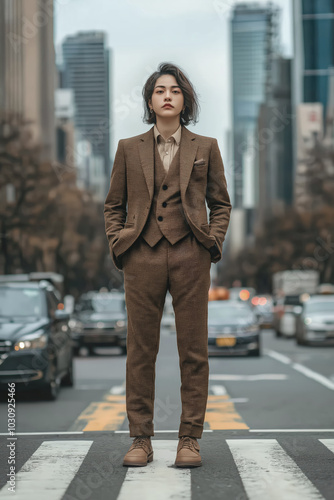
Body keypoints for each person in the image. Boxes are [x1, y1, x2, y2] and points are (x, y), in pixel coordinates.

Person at [104, 62, 232, 468]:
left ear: (184, 100)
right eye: (160, 90)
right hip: (141, 255)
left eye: (174, 90)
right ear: (149, 100)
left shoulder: (206, 146)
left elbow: (221, 203)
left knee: (193, 350)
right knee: (140, 350)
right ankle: (140, 439)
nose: (167, 96)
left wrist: (212, 243)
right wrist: (119, 245)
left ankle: (189, 440)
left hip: (191, 254)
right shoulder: (128, 148)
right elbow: (113, 205)